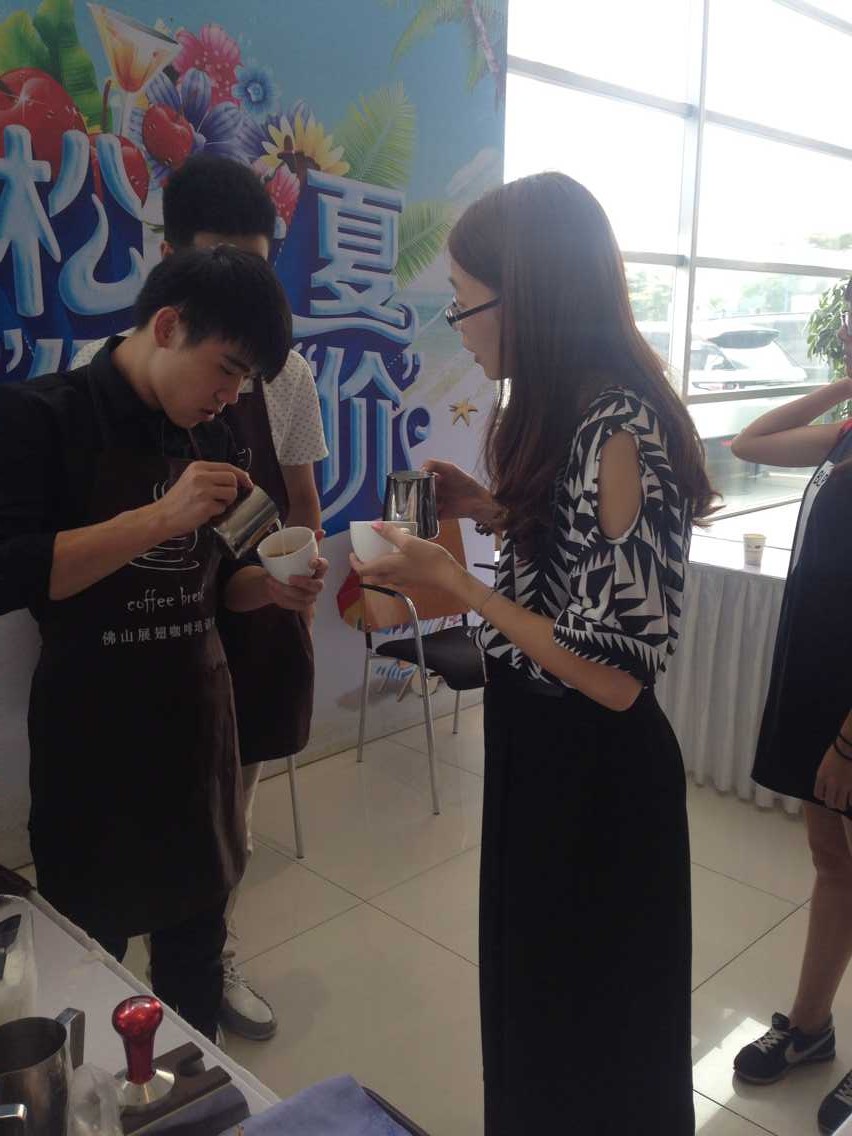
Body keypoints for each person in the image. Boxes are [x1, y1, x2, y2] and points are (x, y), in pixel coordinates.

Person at [350, 171, 715, 1134]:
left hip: (597, 780)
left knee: (594, 1049)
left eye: (466, 302)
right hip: (535, 754)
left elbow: (616, 673)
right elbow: (576, 558)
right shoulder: (559, 410)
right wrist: (487, 509)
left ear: (529, 297)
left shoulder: (620, 428)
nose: (460, 326)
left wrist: (461, 586)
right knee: (531, 1023)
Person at [0, 246, 328, 1040]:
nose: (230, 397)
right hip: (93, 749)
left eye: (245, 383)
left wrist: (274, 589)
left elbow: (226, 585)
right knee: (89, 972)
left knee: (194, 967)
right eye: (227, 371)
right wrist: (159, 518)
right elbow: (14, 573)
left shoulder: (215, 440)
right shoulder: (41, 417)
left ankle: (197, 1093)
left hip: (198, 739)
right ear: (169, 325)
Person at [730, 282, 852, 1136]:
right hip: (820, 680)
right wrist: (843, 386)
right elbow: (752, 441)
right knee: (831, 858)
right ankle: (811, 1027)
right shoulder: (845, 436)